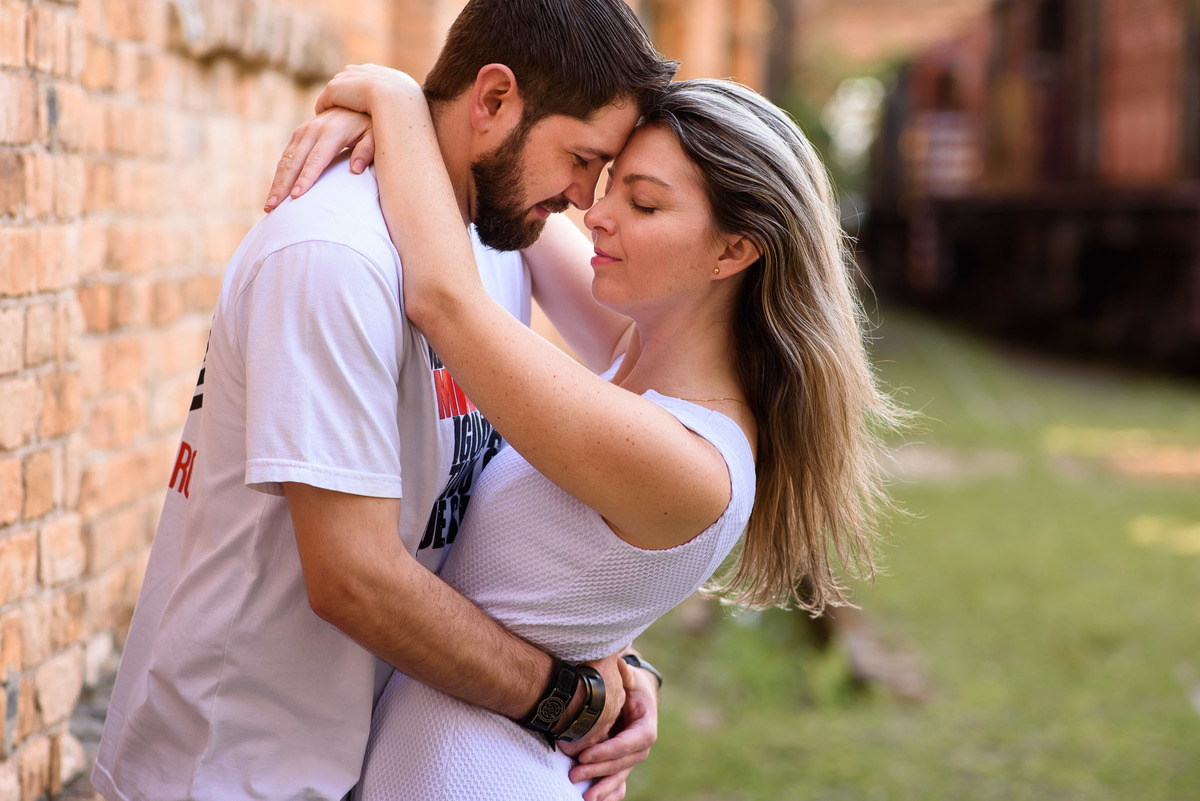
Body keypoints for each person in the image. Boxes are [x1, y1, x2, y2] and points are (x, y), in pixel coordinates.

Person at [270, 65, 906, 800]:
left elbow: (444, 298)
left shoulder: (687, 456)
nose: (597, 215)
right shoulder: (640, 354)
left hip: (479, 776)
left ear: (733, 251)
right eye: (608, 185)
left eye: (643, 203)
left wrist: (387, 95)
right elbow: (502, 195)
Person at [91, 3, 677, 800]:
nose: (582, 196)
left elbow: (665, 370)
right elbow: (354, 576)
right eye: (580, 157)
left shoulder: (492, 238)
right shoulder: (337, 255)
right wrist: (565, 700)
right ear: (495, 98)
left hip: (365, 762)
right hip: (231, 769)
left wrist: (612, 658)